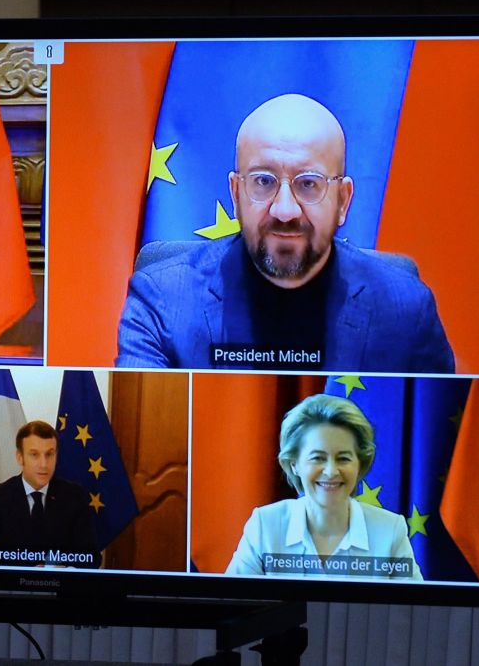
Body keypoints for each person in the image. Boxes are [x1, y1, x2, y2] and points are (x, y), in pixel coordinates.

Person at [116, 93, 454, 373]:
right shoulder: (162, 299)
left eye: (309, 184)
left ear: (343, 200)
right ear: (236, 194)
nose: (285, 210)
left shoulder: (406, 310)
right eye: (263, 181)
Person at [226, 394, 422, 580]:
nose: (331, 471)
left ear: (360, 464)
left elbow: (414, 611)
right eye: (318, 458)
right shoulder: (265, 525)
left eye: (343, 458)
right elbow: (234, 605)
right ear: (294, 463)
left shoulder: (390, 529)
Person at [0, 421, 98, 567]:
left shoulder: (75, 496)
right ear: (20, 457)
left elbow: (92, 557)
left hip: (61, 586)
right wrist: (27, 573)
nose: (44, 464)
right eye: (34, 455)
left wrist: (65, 570)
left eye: (49, 454)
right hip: (14, 587)